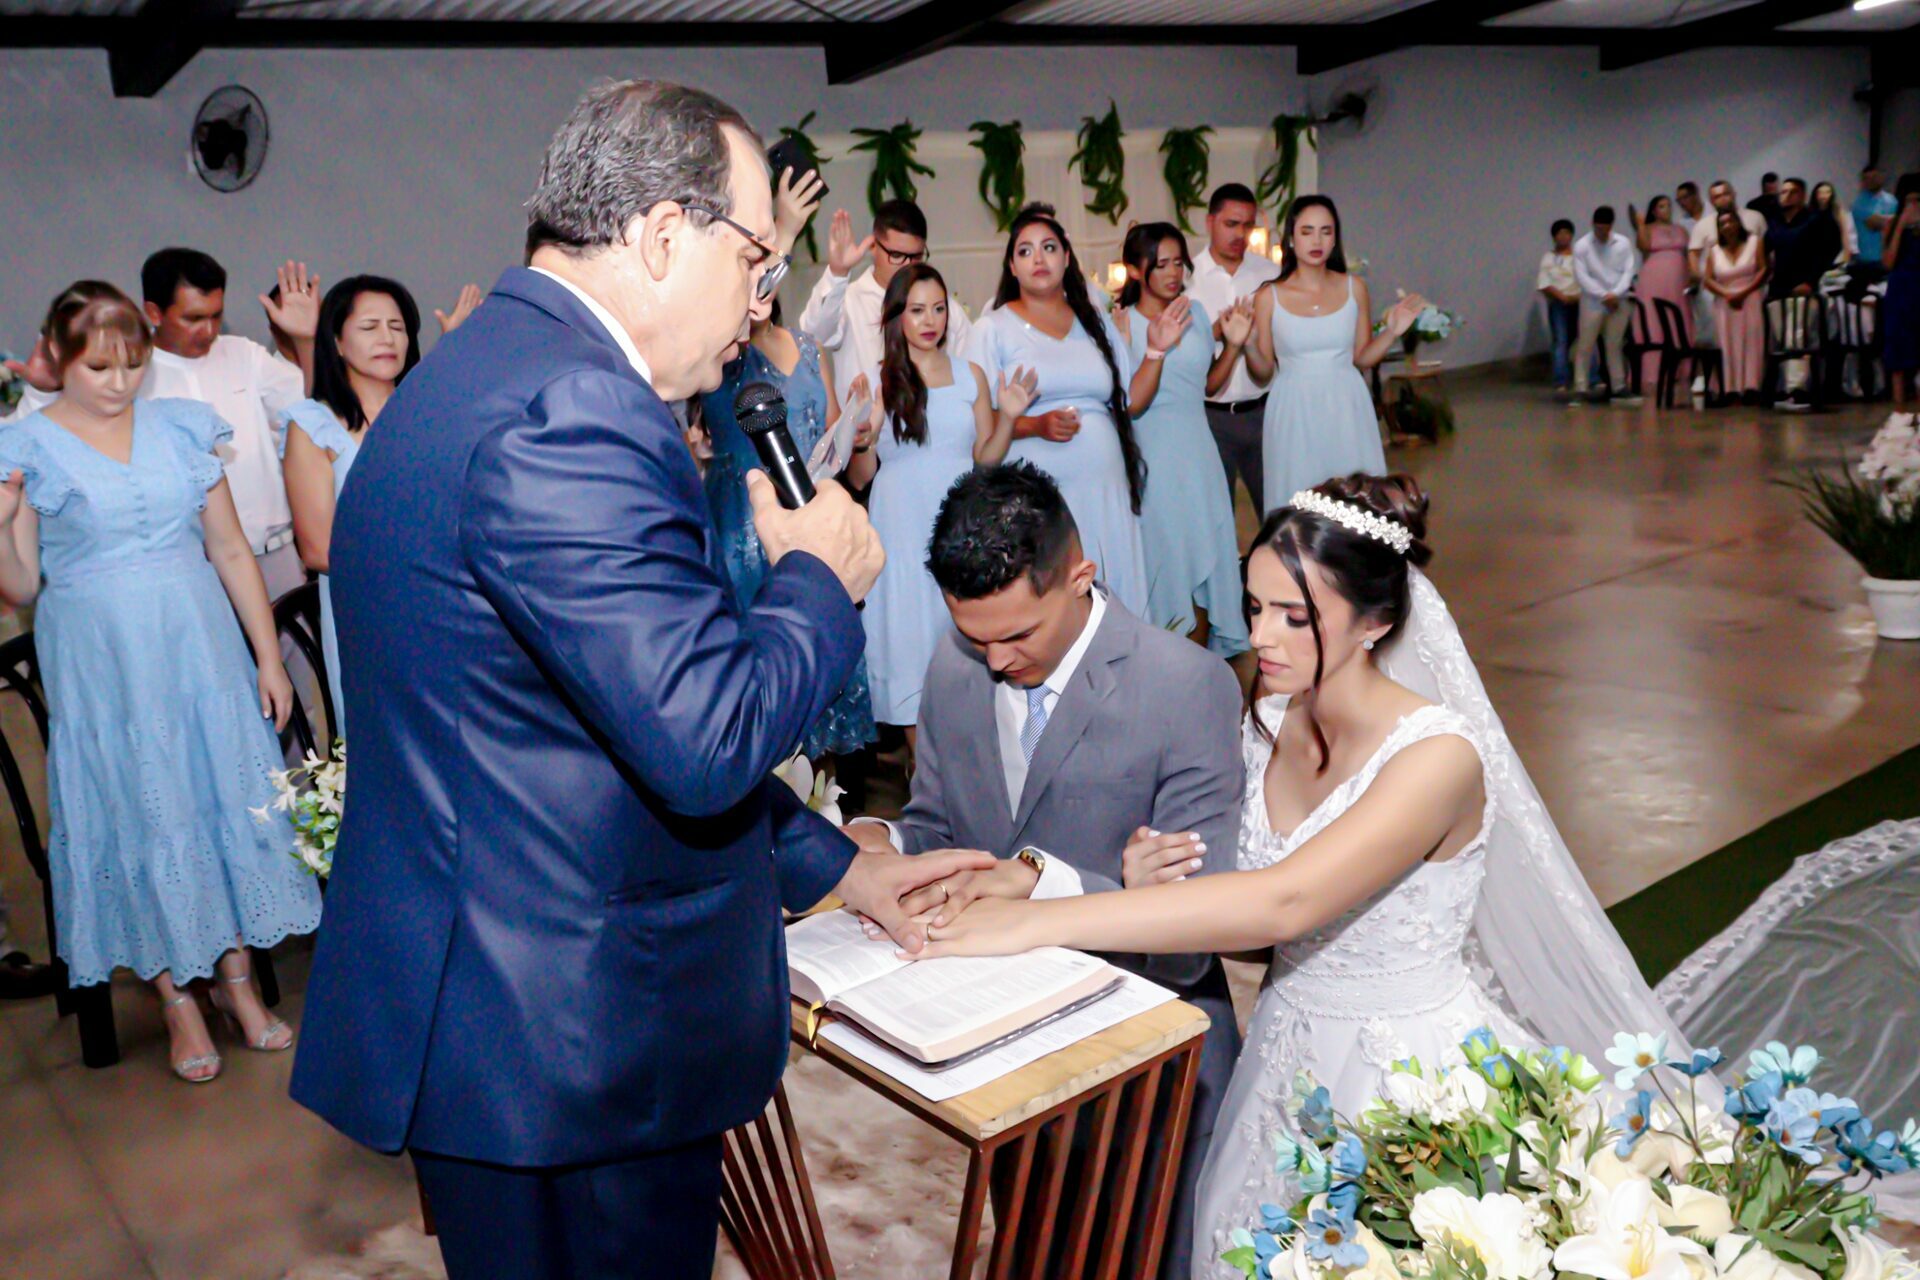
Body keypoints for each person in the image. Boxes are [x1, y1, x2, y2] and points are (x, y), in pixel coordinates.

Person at [287, 80, 990, 1280]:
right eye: (756, 259)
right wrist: (818, 581)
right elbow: (701, 737)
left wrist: (842, 868)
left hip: (500, 1007)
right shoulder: (577, 410)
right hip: (574, 1036)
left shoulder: (484, 371)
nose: (759, 302)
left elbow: (587, 723)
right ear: (665, 235)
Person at [902, 472, 1700, 1279]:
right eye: (1254, 607)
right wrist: (1152, 887)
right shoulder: (1268, 723)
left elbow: (1284, 902)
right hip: (1284, 1059)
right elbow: (1245, 932)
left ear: (1375, 622)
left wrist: (1031, 913)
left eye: (1295, 616)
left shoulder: (1439, 757)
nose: (1262, 637)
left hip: (1404, 1070)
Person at [845, 460, 1244, 1280]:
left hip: (1148, 1065)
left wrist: (1047, 881)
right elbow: (940, 828)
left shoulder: (1185, 684)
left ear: (1080, 576)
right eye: (976, 636)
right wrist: (880, 844)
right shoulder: (955, 665)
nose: (995, 661)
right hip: (1005, 1059)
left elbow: (1196, 938)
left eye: (1017, 635)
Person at [0, 283, 320, 1083]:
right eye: (98, 367)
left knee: (214, 799)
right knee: (143, 812)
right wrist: (2, 524)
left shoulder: (180, 425)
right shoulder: (25, 445)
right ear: (59, 356)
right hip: (102, 661)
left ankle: (238, 986)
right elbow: (20, 584)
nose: (118, 383)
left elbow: (231, 548)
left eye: (131, 364)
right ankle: (178, 1000)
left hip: (197, 646)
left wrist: (268, 655)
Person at [5, 250, 321, 600]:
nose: (209, 330)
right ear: (154, 312)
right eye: (193, 318)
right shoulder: (125, 373)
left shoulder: (244, 354)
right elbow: (32, 449)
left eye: (216, 315)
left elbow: (312, 418)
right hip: (184, 568)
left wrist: (306, 341)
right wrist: (41, 391)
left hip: (274, 553)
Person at [848, 263, 1034, 735]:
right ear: (897, 317)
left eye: (938, 308)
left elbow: (985, 459)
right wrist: (862, 439)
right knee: (911, 658)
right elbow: (862, 476)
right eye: (917, 310)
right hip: (900, 532)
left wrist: (1009, 417)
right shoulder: (879, 381)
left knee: (969, 644)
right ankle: (922, 771)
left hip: (960, 528)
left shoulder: (971, 374)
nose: (930, 320)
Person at [699, 298, 877, 763]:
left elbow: (833, 435)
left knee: (821, 654)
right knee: (760, 681)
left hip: (809, 508)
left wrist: (857, 434)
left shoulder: (811, 348)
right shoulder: (711, 351)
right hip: (741, 528)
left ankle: (822, 791)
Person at [968, 203, 1151, 617]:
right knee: (1056, 595)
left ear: (1067, 258)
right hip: (1041, 492)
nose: (1039, 259)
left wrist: (1156, 351)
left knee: (1114, 593)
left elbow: (1128, 399)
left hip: (1104, 484)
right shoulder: (992, 329)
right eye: (1026, 251)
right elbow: (976, 423)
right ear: (1012, 267)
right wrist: (1035, 424)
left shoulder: (1094, 320)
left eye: (1049, 248)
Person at [279, 275, 424, 734]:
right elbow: (317, 548)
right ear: (337, 342)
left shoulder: (428, 411)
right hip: (368, 605)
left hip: (441, 603)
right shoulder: (314, 425)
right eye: (369, 327)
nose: (387, 338)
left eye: (397, 327)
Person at [1113, 222, 1249, 656]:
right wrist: (1150, 348)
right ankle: (1171, 665)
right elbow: (1129, 404)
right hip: (1153, 458)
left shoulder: (1197, 315)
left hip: (1199, 454)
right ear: (1136, 270)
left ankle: (1203, 666)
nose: (1173, 273)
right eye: (1161, 264)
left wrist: (1234, 346)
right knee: (1169, 561)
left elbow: (1207, 385)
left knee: (1205, 555)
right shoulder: (1121, 323)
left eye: (1178, 263)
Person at [1245, 195, 1421, 500]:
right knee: (1300, 498)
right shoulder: (1268, 297)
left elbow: (1362, 358)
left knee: (1355, 498)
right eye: (1307, 231)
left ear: (1335, 238)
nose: (1317, 240)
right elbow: (1262, 373)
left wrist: (1392, 332)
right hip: (1294, 407)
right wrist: (1246, 343)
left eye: (1326, 231)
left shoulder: (1355, 288)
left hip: (1346, 403)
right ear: (1291, 239)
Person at [799, 197, 973, 407]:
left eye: (916, 257)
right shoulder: (849, 300)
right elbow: (813, 337)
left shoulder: (944, 309)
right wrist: (838, 273)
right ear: (873, 246)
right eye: (897, 255)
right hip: (865, 425)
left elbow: (970, 379)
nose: (907, 266)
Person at [1187, 183, 1278, 516]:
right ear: (1210, 222)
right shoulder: (1185, 279)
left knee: (1278, 512)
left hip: (1264, 412)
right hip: (1209, 418)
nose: (1240, 234)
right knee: (1218, 517)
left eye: (1248, 225)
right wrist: (1219, 332)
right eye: (1231, 224)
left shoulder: (1270, 275)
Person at [1766, 178, 1841, 412]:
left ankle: (1798, 390)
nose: (1786, 196)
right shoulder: (1776, 223)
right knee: (1781, 339)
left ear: (1802, 195)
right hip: (1779, 289)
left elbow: (1831, 249)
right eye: (1783, 192)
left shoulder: (1816, 220)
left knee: (1799, 337)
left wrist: (1811, 279)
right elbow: (1766, 249)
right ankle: (1784, 388)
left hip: (1804, 287)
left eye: (1792, 192)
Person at [1571, 205, 1641, 405]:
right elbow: (1582, 277)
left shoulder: (1623, 243)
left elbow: (1628, 271)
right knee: (1585, 345)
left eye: (1604, 227)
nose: (1600, 231)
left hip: (1618, 301)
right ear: (1593, 224)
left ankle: (1619, 387)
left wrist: (1615, 294)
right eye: (1597, 227)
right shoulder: (1582, 246)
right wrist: (1604, 295)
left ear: (1611, 225)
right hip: (1593, 302)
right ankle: (1581, 388)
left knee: (1614, 345)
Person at [1703, 210, 1771, 403]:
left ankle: (1751, 386)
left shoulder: (1755, 242)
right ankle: (1729, 387)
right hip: (1725, 302)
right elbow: (1708, 279)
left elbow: (1763, 269)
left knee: (1752, 342)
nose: (1727, 226)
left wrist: (1743, 292)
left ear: (1738, 223)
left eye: (1730, 221)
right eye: (1722, 223)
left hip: (1750, 298)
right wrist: (1726, 294)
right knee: (1727, 344)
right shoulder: (1714, 250)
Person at [1630, 195, 1693, 394]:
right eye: (1662, 206)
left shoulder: (1681, 229)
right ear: (1654, 210)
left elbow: (1688, 254)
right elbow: (1643, 247)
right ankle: (1652, 372)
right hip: (1654, 277)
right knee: (1654, 319)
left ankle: (1681, 370)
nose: (1667, 209)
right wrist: (1640, 225)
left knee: (1679, 317)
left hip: (1679, 278)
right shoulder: (1648, 228)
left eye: (1668, 206)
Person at [1882, 173, 1920, 411]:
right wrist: (1901, 226)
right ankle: (1899, 407)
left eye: (1918, 200)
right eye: (1909, 201)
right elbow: (1888, 262)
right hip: (1900, 286)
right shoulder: (1892, 224)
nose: (1913, 206)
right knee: (1898, 342)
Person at [1537, 219, 1582, 394]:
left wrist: (1577, 296)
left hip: (1579, 301)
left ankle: (1592, 378)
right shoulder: (1548, 258)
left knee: (1585, 340)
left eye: (1567, 233)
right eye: (1560, 233)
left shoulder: (1579, 256)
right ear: (1554, 236)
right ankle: (1561, 380)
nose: (1563, 237)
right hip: (1558, 303)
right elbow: (1544, 284)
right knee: (1561, 341)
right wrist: (1562, 297)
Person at [1852, 166, 1899, 278]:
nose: (1871, 180)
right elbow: (1875, 224)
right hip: (1867, 260)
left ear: (1881, 177)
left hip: (1889, 258)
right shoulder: (1859, 202)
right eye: (1866, 178)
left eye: (1874, 177)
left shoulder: (1892, 200)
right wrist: (1897, 219)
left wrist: (1894, 220)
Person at [1811, 181, 1858, 267]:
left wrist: (1846, 255)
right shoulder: (1810, 211)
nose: (1823, 196)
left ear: (1831, 194)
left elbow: (1845, 233)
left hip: (1834, 253)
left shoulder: (1837, 210)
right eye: (1820, 192)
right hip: (1815, 253)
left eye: (1827, 192)